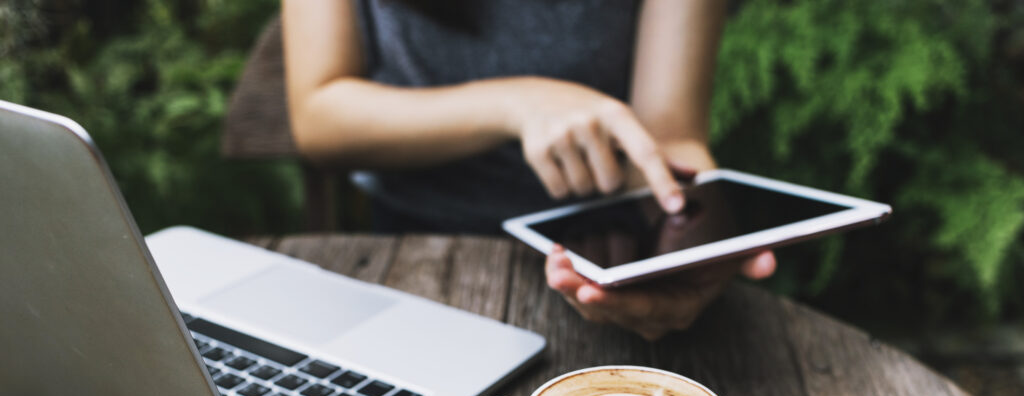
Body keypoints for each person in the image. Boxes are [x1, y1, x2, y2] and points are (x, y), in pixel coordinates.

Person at [282, 0, 776, 340]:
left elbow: (669, 136)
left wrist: (689, 238)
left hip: (604, 247)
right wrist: (514, 104)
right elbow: (318, 116)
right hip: (410, 250)